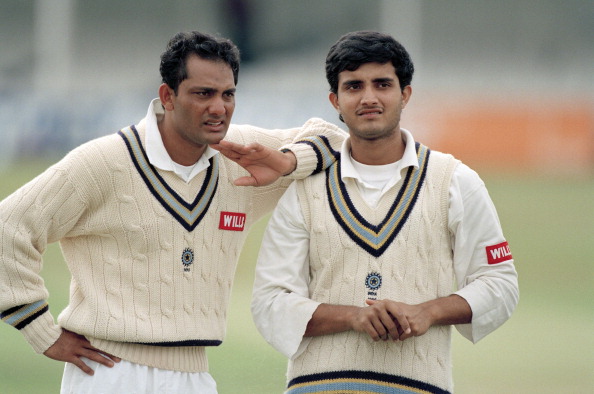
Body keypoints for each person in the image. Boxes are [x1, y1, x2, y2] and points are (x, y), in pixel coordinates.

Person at [0, 31, 345, 393]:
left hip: (196, 376)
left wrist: (287, 161)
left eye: (228, 94)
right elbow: (8, 228)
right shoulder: (101, 163)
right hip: (108, 373)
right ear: (168, 96)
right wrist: (40, 332)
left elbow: (336, 141)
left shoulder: (242, 154)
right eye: (203, 94)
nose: (219, 107)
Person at [251, 30, 519, 394]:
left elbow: (500, 283)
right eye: (354, 86)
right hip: (317, 385)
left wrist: (428, 312)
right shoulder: (305, 189)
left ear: (405, 94)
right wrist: (354, 317)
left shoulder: (454, 180)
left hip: (418, 384)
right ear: (335, 100)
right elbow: (270, 301)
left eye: (382, 84)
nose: (369, 98)